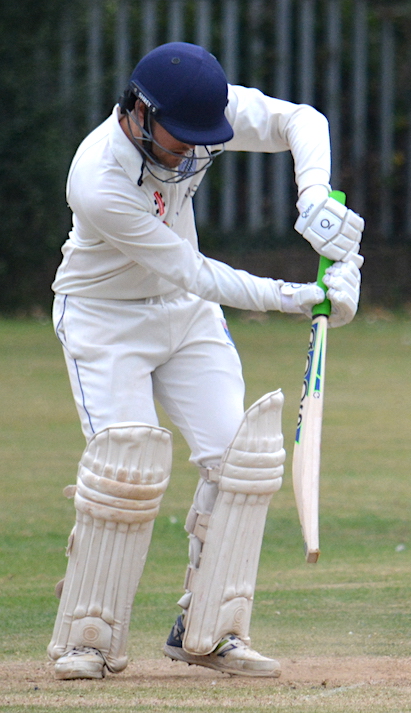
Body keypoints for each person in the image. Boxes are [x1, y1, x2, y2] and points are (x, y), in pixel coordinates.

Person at [46, 43, 364, 680]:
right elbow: (190, 269)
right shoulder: (98, 178)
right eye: (177, 139)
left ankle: (210, 630)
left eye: (201, 139)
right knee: (127, 468)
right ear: (138, 112)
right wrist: (297, 297)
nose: (190, 153)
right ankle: (88, 637)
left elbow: (303, 120)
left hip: (184, 317)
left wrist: (315, 200)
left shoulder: (201, 121)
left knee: (240, 463)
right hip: (106, 320)